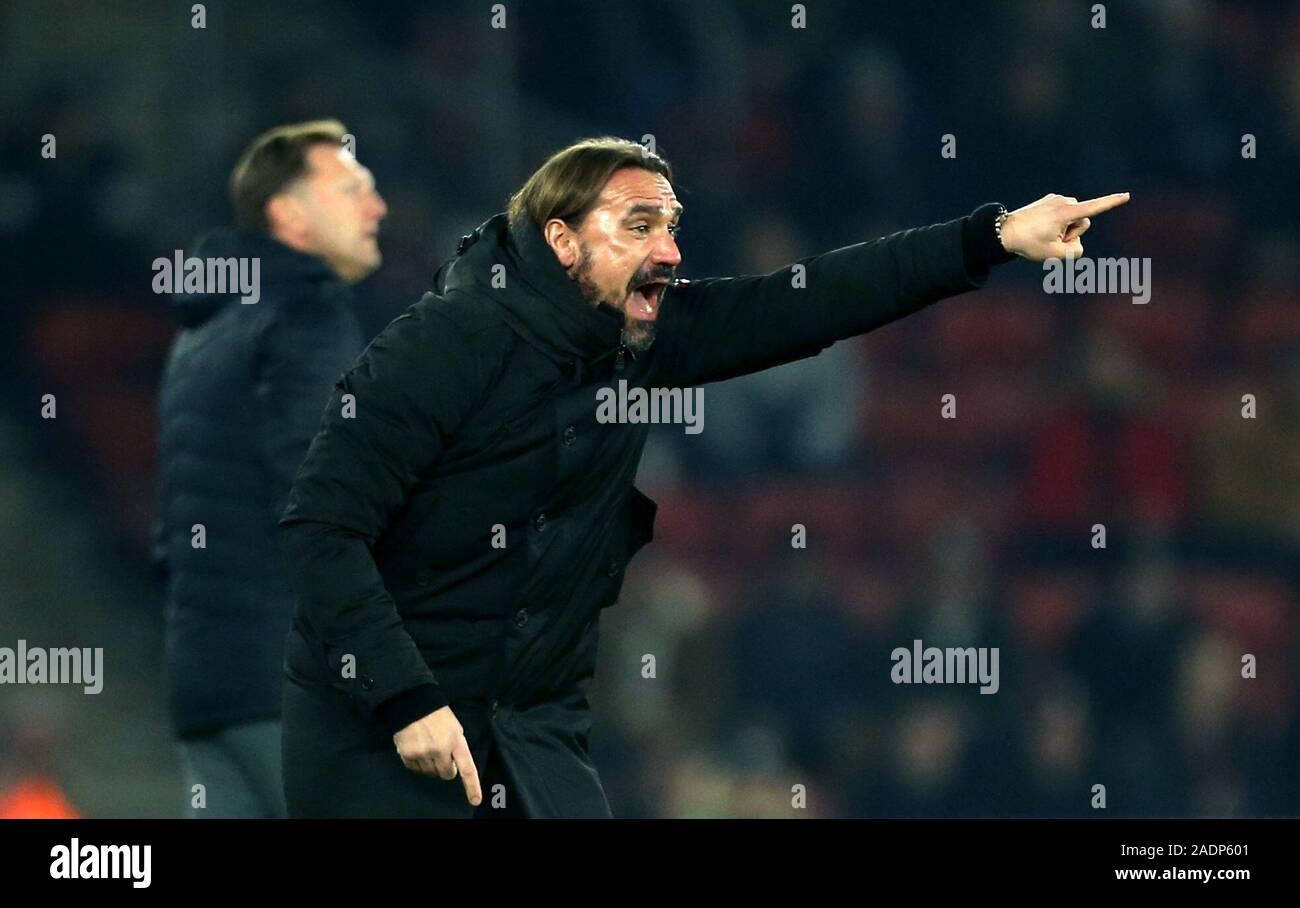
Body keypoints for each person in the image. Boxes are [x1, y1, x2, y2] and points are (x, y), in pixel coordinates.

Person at [278, 135, 1128, 818]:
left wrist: (990, 238)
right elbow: (321, 529)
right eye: (639, 225)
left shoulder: (641, 339)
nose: (671, 250)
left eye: (672, 225)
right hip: (383, 736)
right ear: (563, 240)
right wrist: (403, 698)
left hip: (532, 730)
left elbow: (813, 299)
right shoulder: (440, 345)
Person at [154, 119, 387, 817]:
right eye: (351, 191)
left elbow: (173, 538)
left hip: (207, 685)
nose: (376, 208)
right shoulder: (307, 311)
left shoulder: (202, 331)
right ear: (288, 213)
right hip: (294, 683)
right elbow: (325, 499)